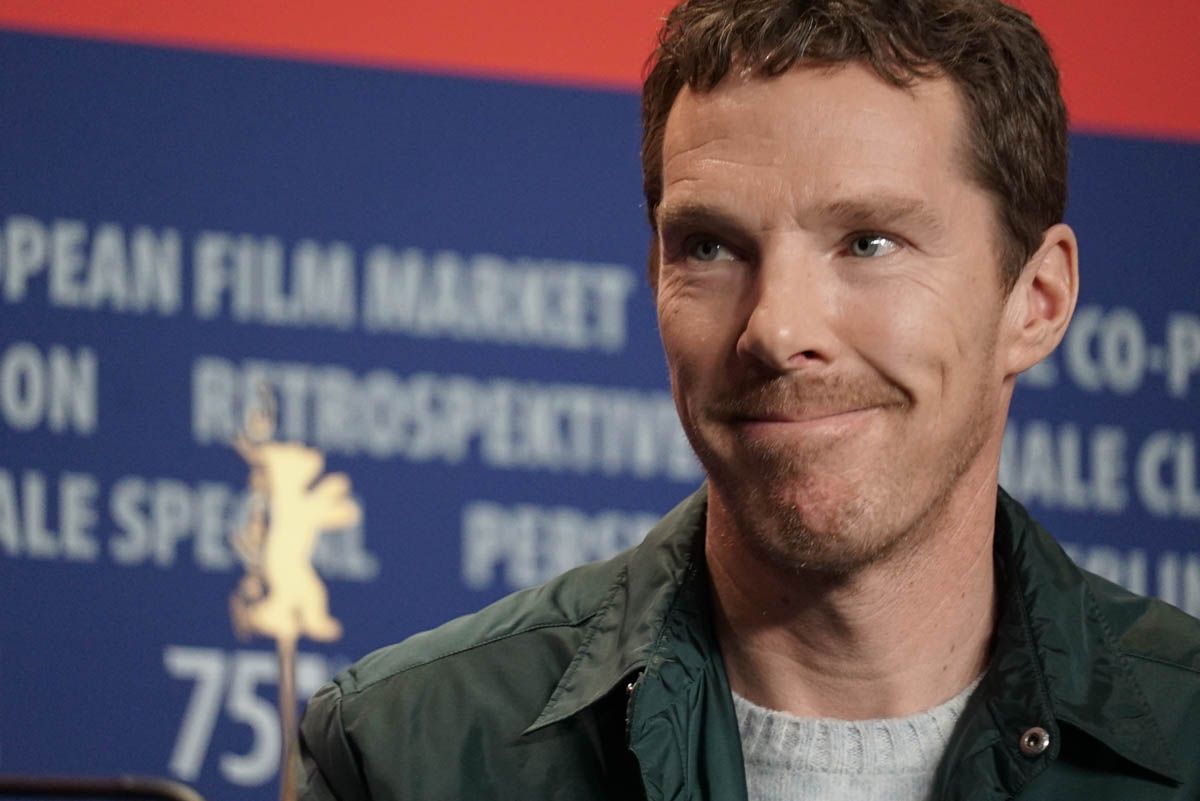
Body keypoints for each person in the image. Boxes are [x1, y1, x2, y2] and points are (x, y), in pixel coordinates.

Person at [298, 1, 1200, 798]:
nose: (774, 328)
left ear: (1036, 301)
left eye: (869, 243)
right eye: (710, 247)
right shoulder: (405, 756)